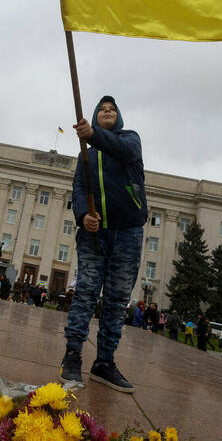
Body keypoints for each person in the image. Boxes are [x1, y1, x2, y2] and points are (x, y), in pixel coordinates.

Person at [60, 96, 147, 394]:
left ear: (117, 117)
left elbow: (125, 150)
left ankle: (104, 363)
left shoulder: (129, 139)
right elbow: (79, 187)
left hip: (127, 233)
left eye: (112, 110)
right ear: (96, 117)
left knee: (115, 301)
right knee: (85, 293)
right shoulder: (86, 154)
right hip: (94, 235)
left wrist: (94, 136)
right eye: (102, 110)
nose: (107, 112)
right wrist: (84, 215)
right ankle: (72, 357)